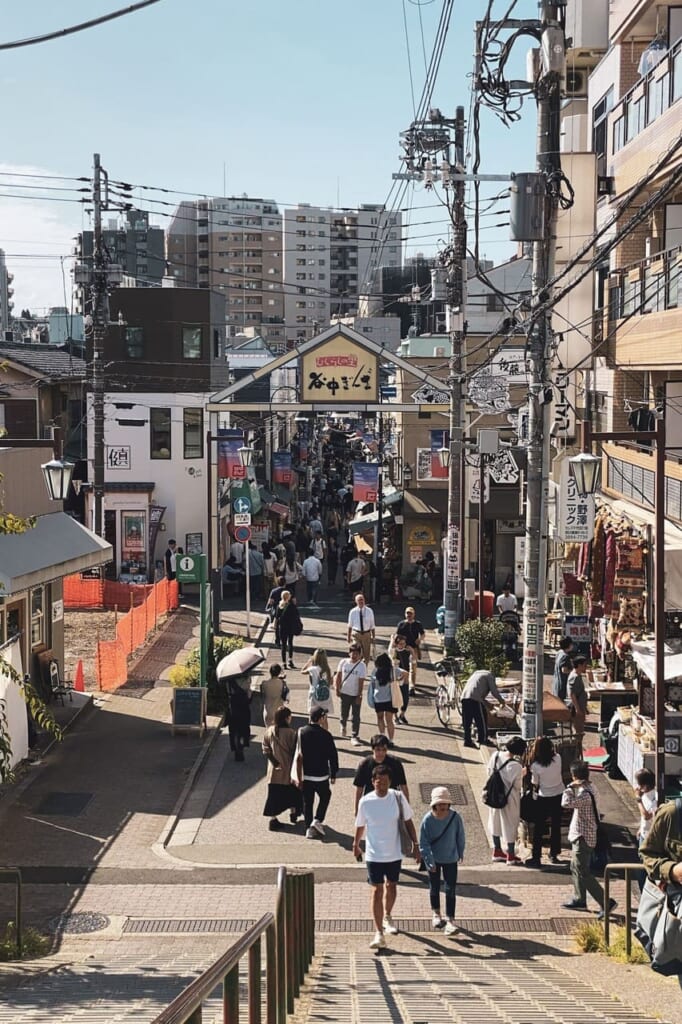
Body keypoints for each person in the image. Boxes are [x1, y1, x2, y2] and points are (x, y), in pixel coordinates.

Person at [353, 765, 419, 949]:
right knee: (377, 890)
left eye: (384, 780)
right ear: (372, 781)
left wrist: (416, 845)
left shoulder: (397, 798)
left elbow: (408, 821)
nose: (380, 784)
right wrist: (356, 844)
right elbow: (360, 825)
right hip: (374, 854)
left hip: (394, 852)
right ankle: (378, 932)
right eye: (377, 780)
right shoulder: (366, 801)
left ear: (390, 781)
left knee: (391, 885)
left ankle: (387, 916)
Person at [561, 760, 615, 918]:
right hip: (582, 834)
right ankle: (579, 898)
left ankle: (606, 902)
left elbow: (565, 803)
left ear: (574, 776)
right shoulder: (592, 788)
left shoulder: (584, 794)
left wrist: (570, 787)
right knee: (574, 866)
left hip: (583, 837)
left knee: (583, 871)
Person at [419, 786, 466, 934]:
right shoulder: (427, 819)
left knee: (450, 889)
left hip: (451, 858)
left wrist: (460, 851)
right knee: (434, 886)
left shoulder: (455, 817)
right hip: (434, 858)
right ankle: (436, 913)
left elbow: (460, 836)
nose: (443, 807)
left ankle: (450, 919)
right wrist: (429, 860)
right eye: (440, 804)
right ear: (434, 805)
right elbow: (423, 842)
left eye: (445, 804)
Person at [295, 707, 339, 839]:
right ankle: (317, 819)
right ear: (321, 718)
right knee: (325, 796)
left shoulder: (301, 732)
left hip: (306, 774)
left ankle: (308, 828)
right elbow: (333, 756)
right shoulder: (326, 735)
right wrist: (334, 773)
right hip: (321, 775)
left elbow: (297, 753)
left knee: (308, 802)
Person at [524, 736, 565, 868]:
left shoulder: (536, 766)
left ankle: (536, 857)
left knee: (539, 828)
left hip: (543, 797)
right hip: (558, 794)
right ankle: (554, 853)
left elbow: (535, 783)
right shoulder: (558, 758)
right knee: (556, 825)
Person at [486, 737, 527, 864]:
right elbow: (517, 786)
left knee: (495, 821)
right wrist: (523, 773)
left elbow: (489, 772)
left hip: (494, 794)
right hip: (509, 799)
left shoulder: (496, 755)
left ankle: (497, 850)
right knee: (510, 824)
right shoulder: (516, 766)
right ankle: (510, 855)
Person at [262, 705, 302, 830]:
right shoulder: (291, 733)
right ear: (286, 718)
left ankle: (273, 819)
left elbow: (265, 748)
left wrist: (274, 762)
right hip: (288, 769)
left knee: (274, 795)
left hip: (274, 770)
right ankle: (293, 812)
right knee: (292, 793)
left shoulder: (270, 731)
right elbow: (296, 751)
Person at [353, 734, 410, 813]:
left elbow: (403, 786)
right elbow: (359, 789)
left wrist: (406, 807)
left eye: (384, 750)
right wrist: (357, 809)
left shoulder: (395, 763)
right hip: (371, 801)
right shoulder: (364, 764)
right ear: (372, 749)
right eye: (378, 750)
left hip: (391, 801)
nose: (381, 753)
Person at [460, 668, 506, 748]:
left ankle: (467, 740)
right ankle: (483, 739)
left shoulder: (476, 673)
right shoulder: (489, 676)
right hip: (474, 699)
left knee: (467, 721)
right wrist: (501, 701)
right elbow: (494, 691)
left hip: (464, 697)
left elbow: (478, 692)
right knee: (481, 720)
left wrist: (489, 705)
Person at [334, 643, 367, 746]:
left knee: (356, 716)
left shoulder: (362, 666)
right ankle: (343, 724)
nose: (354, 656)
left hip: (355, 693)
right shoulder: (343, 662)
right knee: (344, 713)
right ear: (349, 653)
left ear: (360, 655)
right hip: (344, 692)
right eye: (352, 653)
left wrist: (359, 695)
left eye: (357, 654)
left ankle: (354, 735)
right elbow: (338, 676)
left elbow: (361, 682)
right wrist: (337, 689)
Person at [634, 767, 658, 890]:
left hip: (650, 838)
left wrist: (638, 799)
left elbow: (646, 815)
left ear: (644, 785)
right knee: (641, 864)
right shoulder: (645, 795)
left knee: (645, 867)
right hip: (643, 834)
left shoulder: (656, 798)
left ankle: (646, 890)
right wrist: (640, 828)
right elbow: (644, 819)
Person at [368, 653, 400, 744]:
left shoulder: (375, 671)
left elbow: (372, 685)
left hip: (378, 698)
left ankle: (382, 736)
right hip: (390, 699)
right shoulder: (393, 670)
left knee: (380, 718)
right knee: (389, 720)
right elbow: (404, 674)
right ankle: (391, 740)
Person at [566, 655, 592, 750]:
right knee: (578, 733)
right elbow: (572, 694)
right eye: (584, 665)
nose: (586, 667)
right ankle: (576, 752)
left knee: (579, 732)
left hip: (580, 707)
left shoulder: (577, 676)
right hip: (576, 709)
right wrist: (578, 709)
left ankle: (577, 752)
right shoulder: (575, 677)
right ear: (579, 665)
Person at [396, 607, 425, 692]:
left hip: (414, 648)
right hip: (403, 648)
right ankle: (403, 682)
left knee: (413, 666)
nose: (409, 615)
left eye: (410, 614)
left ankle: (412, 685)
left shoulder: (417, 624)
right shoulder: (401, 624)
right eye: (407, 613)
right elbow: (397, 636)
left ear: (414, 614)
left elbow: (422, 634)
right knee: (403, 666)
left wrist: (420, 639)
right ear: (405, 614)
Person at [302, 648, 334, 717]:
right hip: (325, 695)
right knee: (324, 717)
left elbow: (302, 671)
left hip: (314, 694)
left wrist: (309, 662)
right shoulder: (328, 669)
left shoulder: (312, 669)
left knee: (312, 716)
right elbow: (331, 683)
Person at [275, 590, 302, 669]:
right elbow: (297, 616)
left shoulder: (279, 606)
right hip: (290, 627)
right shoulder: (292, 606)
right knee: (290, 643)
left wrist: (275, 626)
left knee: (283, 645)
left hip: (282, 627)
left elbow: (276, 618)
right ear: (288, 597)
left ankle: (284, 663)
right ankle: (290, 660)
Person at [347, 592, 376, 664]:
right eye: (359, 600)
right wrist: (348, 636)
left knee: (366, 655)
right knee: (357, 652)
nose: (361, 601)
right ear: (356, 601)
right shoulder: (352, 611)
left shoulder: (369, 611)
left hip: (366, 634)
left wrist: (373, 636)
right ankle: (356, 667)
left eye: (362, 599)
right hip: (356, 634)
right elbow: (350, 625)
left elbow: (372, 625)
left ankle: (364, 670)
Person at [391, 634, 413, 725]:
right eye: (400, 643)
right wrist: (392, 640)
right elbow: (390, 651)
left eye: (403, 643)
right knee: (395, 698)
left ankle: (402, 715)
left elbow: (414, 661)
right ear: (396, 644)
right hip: (396, 677)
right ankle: (395, 716)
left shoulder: (407, 652)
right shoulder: (393, 652)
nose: (402, 645)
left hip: (405, 677)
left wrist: (412, 651)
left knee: (405, 698)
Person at [552, 637, 574, 702]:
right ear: (569, 645)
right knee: (561, 702)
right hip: (562, 683)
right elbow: (564, 670)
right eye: (571, 644)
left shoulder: (559, 653)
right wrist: (573, 671)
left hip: (556, 682)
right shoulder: (565, 656)